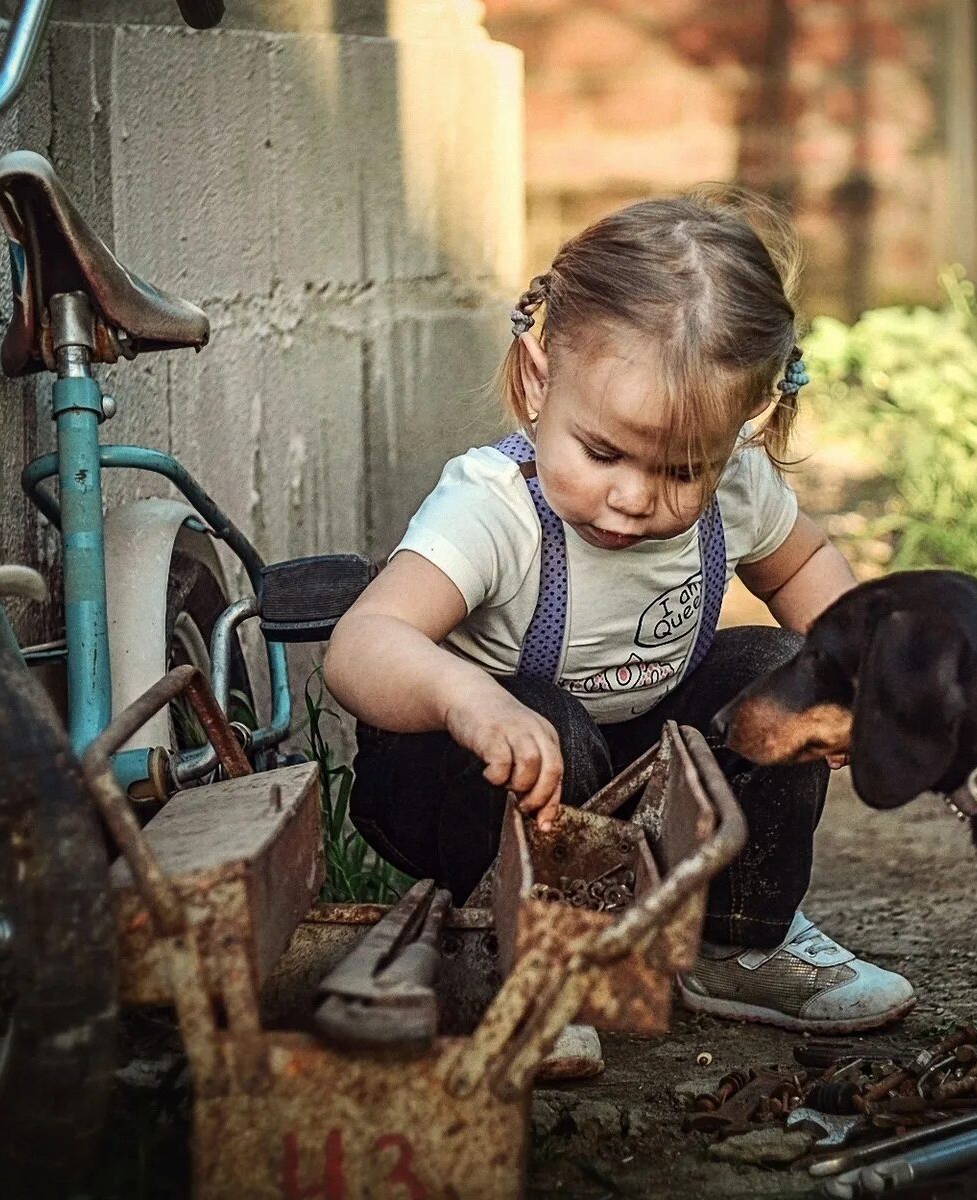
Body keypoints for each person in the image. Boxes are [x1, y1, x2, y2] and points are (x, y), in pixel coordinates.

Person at [323, 188, 915, 1071]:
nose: (635, 497)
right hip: (458, 775)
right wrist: (465, 699)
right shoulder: (494, 508)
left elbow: (798, 566)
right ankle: (527, 959)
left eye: (682, 470)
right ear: (536, 376)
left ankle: (738, 941)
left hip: (632, 759)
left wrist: (857, 677)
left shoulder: (736, 488)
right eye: (602, 453)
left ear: (737, 434)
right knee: (546, 725)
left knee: (786, 669)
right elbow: (360, 647)